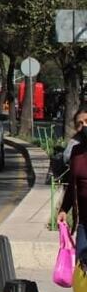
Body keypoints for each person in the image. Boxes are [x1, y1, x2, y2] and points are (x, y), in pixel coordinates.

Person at [58, 107, 87, 268]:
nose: (84, 126)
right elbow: (72, 184)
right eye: (79, 123)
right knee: (81, 269)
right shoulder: (76, 152)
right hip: (83, 222)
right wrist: (63, 209)